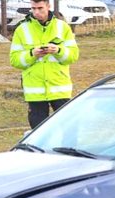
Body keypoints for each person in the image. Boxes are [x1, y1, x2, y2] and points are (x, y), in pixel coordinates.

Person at [10, 0, 79, 129]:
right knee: (38, 132)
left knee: (68, 129)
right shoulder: (21, 29)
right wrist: (32, 54)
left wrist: (58, 51)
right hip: (35, 91)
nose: (36, 12)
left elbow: (73, 56)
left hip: (59, 89)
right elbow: (14, 60)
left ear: (48, 6)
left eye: (40, 8)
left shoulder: (62, 27)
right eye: (33, 8)